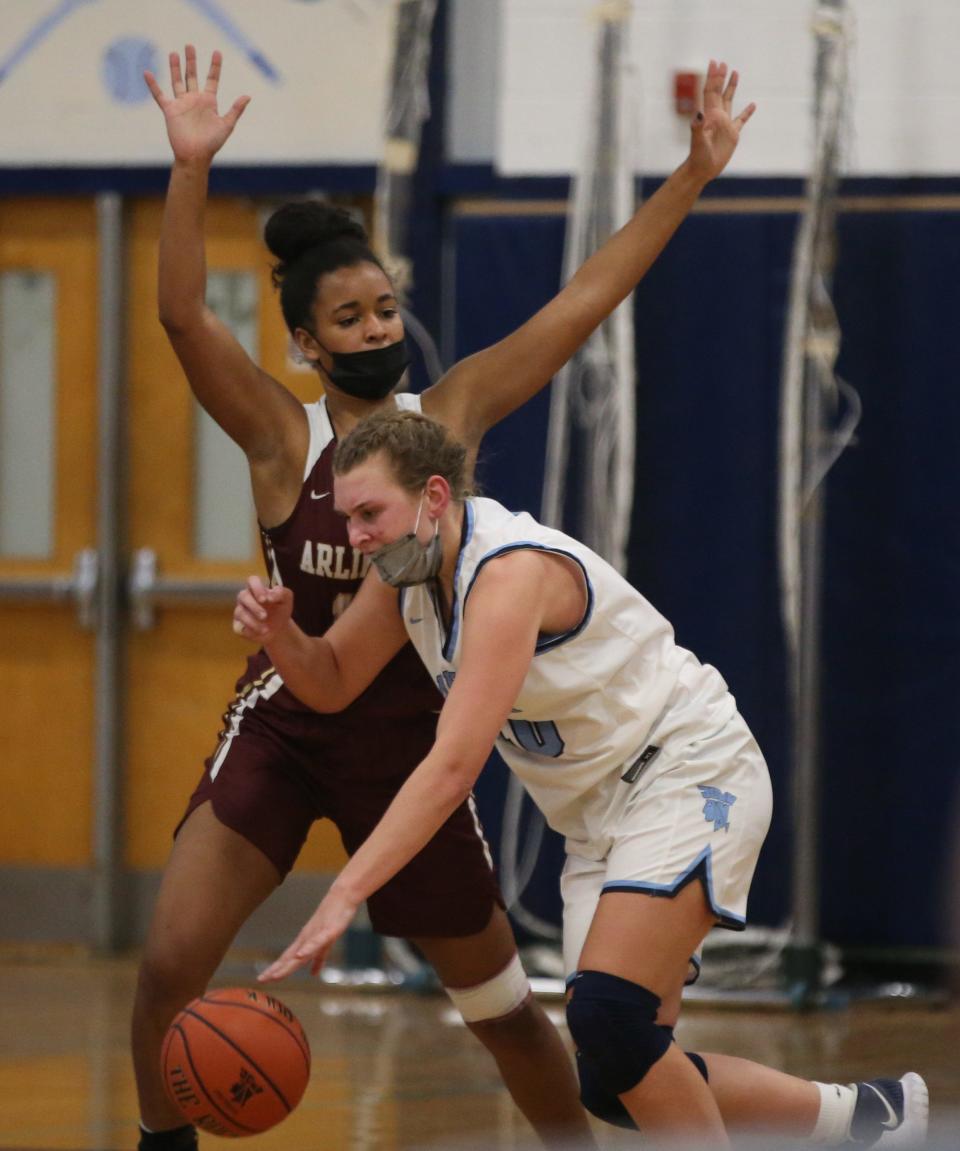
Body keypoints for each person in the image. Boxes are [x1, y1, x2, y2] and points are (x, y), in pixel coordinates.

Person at [136, 43, 758, 1151]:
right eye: (353, 317)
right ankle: (159, 1139)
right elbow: (183, 315)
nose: (377, 328)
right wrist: (190, 168)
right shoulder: (283, 437)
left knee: (510, 1017)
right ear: (305, 340)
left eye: (386, 308)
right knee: (171, 965)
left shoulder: (447, 417)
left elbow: (585, 298)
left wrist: (691, 178)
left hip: (410, 747)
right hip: (287, 722)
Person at [234, 408, 930, 1148]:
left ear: (434, 496)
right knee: (612, 1072)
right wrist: (282, 635)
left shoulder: (505, 574)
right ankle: (867, 1117)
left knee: (608, 1016)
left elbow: (452, 765)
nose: (356, 537)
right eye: (347, 519)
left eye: (370, 513)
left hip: (687, 768)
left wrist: (346, 891)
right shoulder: (409, 578)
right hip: (599, 818)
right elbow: (335, 679)